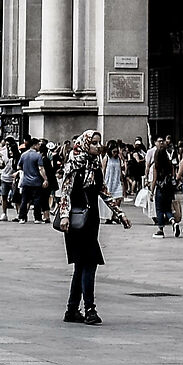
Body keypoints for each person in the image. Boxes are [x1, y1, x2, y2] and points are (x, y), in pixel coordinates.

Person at [57, 135, 111, 323]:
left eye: (99, 142)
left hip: (91, 221)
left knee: (81, 265)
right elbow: (65, 192)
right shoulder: (73, 165)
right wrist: (64, 215)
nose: (98, 146)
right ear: (85, 144)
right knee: (89, 263)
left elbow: (103, 191)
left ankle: (72, 309)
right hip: (76, 221)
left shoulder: (95, 166)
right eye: (94, 143)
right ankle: (90, 309)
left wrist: (120, 214)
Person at [150, 134, 177, 238]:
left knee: (160, 209)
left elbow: (154, 179)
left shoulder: (156, 166)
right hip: (169, 188)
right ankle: (173, 221)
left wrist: (151, 192)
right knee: (168, 208)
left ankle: (160, 229)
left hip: (160, 188)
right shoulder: (169, 164)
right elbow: (173, 174)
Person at [17, 140, 49, 222]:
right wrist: (45, 179)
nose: (39, 146)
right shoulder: (38, 156)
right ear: (34, 145)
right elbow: (41, 168)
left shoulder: (23, 155)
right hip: (36, 182)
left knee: (24, 200)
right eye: (38, 145)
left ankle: (22, 217)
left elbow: (19, 167)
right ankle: (37, 218)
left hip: (26, 181)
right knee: (37, 200)